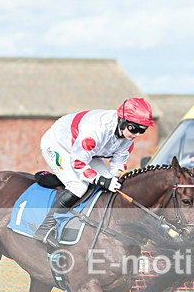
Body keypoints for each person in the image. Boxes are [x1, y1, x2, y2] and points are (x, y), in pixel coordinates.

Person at [34, 97, 154, 246]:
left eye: (142, 130)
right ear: (122, 120)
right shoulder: (96, 131)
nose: (136, 134)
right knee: (78, 186)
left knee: (110, 184)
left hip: (89, 153)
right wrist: (102, 181)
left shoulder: (128, 140)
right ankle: (45, 227)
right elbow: (78, 163)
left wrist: (114, 179)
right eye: (134, 128)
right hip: (59, 145)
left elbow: (117, 165)